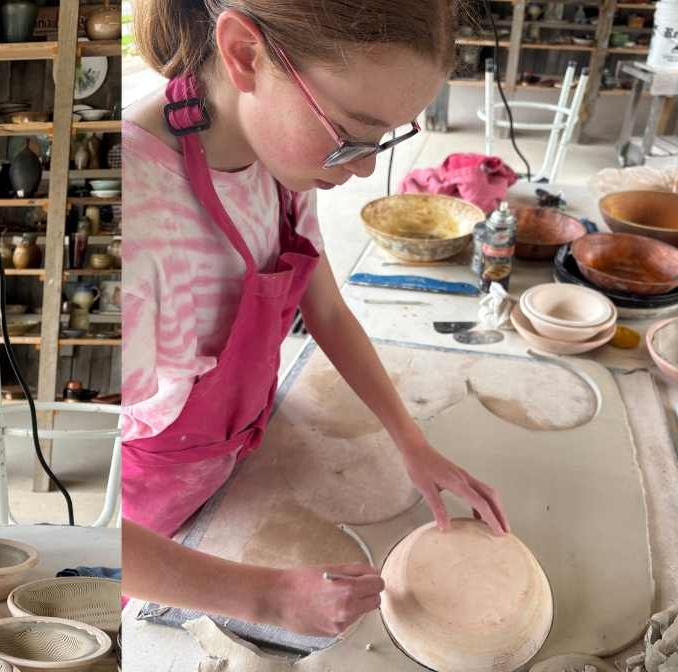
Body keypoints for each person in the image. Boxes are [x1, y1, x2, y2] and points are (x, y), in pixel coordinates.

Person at [120, 0, 512, 637]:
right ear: (246, 55)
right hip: (151, 532)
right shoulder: (138, 226)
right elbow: (93, 522)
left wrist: (412, 442)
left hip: (244, 451)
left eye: (385, 139)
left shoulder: (279, 159)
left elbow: (324, 306)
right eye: (352, 133)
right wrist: (267, 599)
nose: (362, 168)